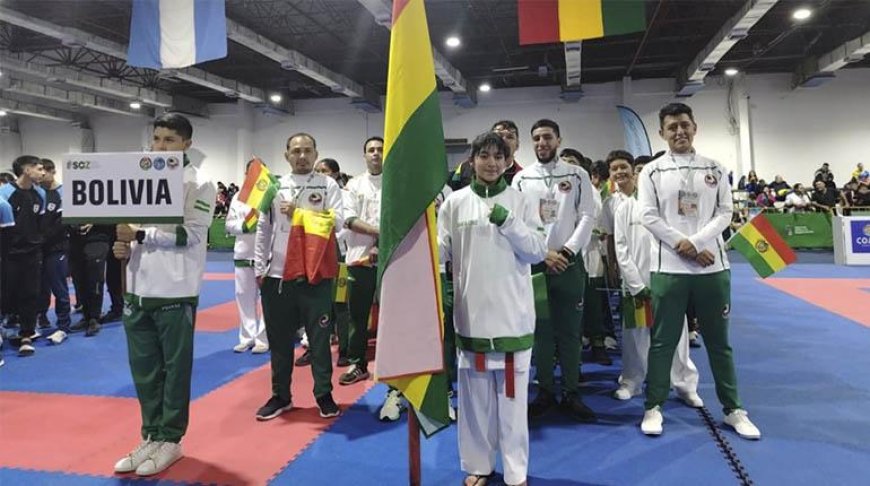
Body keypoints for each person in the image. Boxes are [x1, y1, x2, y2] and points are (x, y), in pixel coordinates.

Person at [637, 102, 760, 440]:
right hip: (669, 268)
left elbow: (725, 212)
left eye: (684, 125)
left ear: (695, 127)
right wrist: (683, 245)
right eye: (672, 127)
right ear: (662, 133)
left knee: (719, 343)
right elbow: (647, 215)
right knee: (662, 342)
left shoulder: (716, 169)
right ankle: (653, 406)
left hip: (712, 267)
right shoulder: (652, 171)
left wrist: (698, 242)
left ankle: (734, 409)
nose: (679, 131)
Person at [111, 113, 216, 476]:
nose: (161, 146)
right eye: (157, 139)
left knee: (174, 371)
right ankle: (151, 435)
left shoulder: (199, 184)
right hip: (137, 290)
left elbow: (194, 235)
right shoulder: (138, 180)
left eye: (170, 140)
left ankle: (171, 438)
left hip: (176, 291)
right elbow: (130, 232)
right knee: (144, 371)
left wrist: (140, 235)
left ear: (187, 143)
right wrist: (124, 245)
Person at [440, 132, 546, 486]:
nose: (491, 163)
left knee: (514, 405)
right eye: (483, 155)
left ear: (507, 160)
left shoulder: (521, 200)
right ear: (472, 160)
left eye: (498, 157)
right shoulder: (453, 204)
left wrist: (509, 222)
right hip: (470, 317)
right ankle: (478, 466)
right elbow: (441, 253)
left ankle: (516, 473)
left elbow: (537, 251)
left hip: (513, 316)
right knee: (474, 404)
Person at [253, 132, 344, 421]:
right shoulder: (274, 186)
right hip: (278, 275)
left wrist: (300, 213)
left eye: (307, 151)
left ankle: (323, 393)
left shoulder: (327, 184)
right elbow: (262, 228)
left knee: (318, 339)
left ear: (316, 154)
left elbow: (337, 223)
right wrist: (258, 267)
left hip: (315, 274)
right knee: (279, 341)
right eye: (296, 151)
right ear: (286, 155)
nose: (301, 156)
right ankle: (281, 395)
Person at [512, 119, 597, 422]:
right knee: (542, 332)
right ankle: (545, 390)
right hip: (535, 264)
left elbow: (588, 215)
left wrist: (567, 251)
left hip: (569, 263)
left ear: (558, 140)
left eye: (547, 137)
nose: (541, 143)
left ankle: (572, 392)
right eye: (535, 138)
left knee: (571, 331)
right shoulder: (522, 180)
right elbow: (516, 223)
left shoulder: (577, 175)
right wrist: (542, 254)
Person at [611, 153, 702, 404]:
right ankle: (632, 380)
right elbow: (621, 249)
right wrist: (636, 285)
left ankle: (684, 385)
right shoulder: (624, 208)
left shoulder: (672, 206)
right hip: (637, 282)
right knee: (635, 335)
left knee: (677, 333)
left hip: (670, 280)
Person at [338, 137, 383, 388]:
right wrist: (379, 233)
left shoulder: (396, 181)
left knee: (393, 316)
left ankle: (393, 364)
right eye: (371, 150)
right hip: (359, 259)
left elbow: (399, 217)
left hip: (392, 259)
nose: (376, 154)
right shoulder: (354, 185)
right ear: (364, 155)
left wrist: (381, 243)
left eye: (380, 149)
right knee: (357, 316)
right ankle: (357, 363)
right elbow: (349, 219)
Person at [0, 156, 46, 357]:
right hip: (8, 254)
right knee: (5, 295)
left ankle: (26, 335)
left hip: (32, 253)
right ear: (27, 170)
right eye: (39, 168)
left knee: (30, 293)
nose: (43, 172)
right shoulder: (4, 194)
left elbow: (40, 223)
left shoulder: (40, 194)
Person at [225, 160, 269, 354]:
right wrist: (244, 226)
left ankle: (263, 338)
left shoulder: (271, 195)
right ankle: (247, 337)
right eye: (250, 172)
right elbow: (228, 224)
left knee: (266, 299)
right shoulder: (238, 197)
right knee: (243, 296)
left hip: (266, 255)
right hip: (243, 252)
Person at [37, 159, 72, 343]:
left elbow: (61, 224)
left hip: (57, 248)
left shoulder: (63, 193)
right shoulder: (38, 194)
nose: (41, 175)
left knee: (59, 287)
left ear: (52, 171)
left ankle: (63, 326)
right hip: (38, 250)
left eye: (44, 171)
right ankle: (40, 318)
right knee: (40, 288)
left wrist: (42, 238)